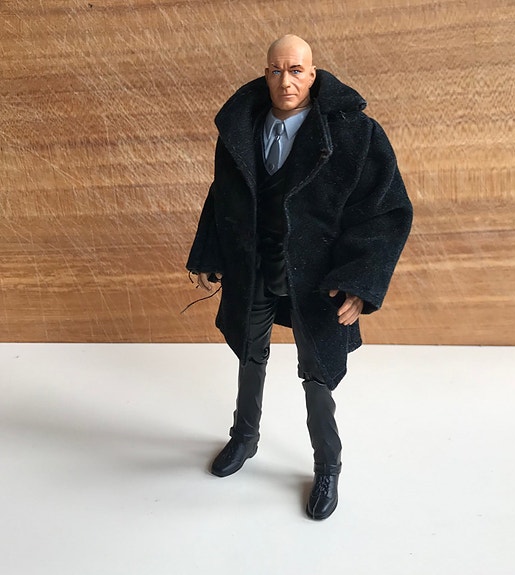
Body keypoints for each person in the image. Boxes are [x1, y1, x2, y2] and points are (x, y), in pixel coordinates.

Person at [186, 34, 412, 520]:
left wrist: (359, 280)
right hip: (256, 265)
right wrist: (210, 252)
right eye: (276, 70)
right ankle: (245, 436)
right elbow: (222, 194)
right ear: (265, 73)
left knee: (317, 373)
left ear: (313, 74)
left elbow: (384, 209)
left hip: (316, 278)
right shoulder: (242, 126)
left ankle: (327, 465)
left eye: (295, 70)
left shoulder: (353, 133)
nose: (285, 81)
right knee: (250, 354)